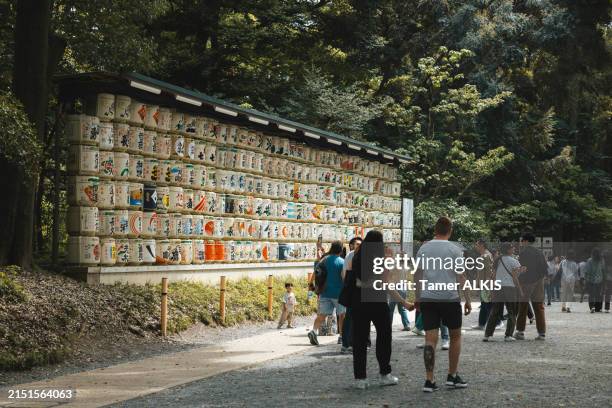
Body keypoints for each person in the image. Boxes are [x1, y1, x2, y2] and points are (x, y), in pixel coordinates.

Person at [350, 230, 412, 389]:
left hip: (358, 302)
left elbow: (348, 278)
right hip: (377, 301)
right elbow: (387, 285)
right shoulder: (382, 259)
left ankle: (360, 379)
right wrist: (404, 303)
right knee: (384, 337)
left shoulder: (356, 255)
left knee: (359, 340)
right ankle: (384, 374)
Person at [416, 216, 471, 392]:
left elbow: (417, 274)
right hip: (449, 298)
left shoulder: (423, 249)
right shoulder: (454, 250)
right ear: (450, 230)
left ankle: (429, 380)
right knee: (455, 337)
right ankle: (452, 375)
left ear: (435, 229)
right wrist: (468, 299)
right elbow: (461, 276)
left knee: (429, 339)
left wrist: (418, 297)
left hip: (428, 298)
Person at [483, 243, 523, 342]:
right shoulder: (514, 262)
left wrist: (492, 289)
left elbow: (493, 276)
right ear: (508, 250)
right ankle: (508, 335)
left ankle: (487, 335)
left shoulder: (497, 260)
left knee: (495, 312)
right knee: (512, 312)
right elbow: (515, 278)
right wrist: (520, 290)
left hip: (498, 287)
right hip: (510, 289)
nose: (514, 248)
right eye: (512, 247)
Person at [307, 241, 345, 346]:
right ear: (341, 250)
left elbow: (315, 273)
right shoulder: (341, 262)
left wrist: (312, 286)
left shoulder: (323, 260)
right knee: (342, 315)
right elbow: (343, 277)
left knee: (322, 315)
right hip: (339, 293)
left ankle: (313, 331)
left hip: (324, 293)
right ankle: (341, 337)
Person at [514, 232, 547, 341]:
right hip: (539, 281)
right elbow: (544, 268)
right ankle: (542, 333)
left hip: (527, 282)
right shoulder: (540, 252)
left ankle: (520, 332)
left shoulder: (524, 253)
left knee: (523, 306)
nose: (521, 243)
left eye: (522, 241)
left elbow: (522, 269)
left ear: (526, 241)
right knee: (539, 306)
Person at [340, 236, 362, 353]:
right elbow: (344, 273)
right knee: (349, 317)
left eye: (360, 244)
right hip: (353, 290)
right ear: (352, 245)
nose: (358, 246)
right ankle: (345, 343)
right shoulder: (350, 255)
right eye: (356, 244)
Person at [472, 239, 495, 330]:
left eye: (477, 245)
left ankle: (492, 323)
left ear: (482, 245)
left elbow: (489, 272)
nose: (475, 246)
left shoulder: (486, 256)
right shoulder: (484, 255)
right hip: (484, 284)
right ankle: (482, 324)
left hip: (486, 284)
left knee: (487, 305)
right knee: (485, 304)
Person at [584, 248, 605, 313]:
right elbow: (603, 270)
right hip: (600, 280)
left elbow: (587, 271)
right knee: (599, 294)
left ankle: (592, 307)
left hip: (590, 280)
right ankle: (598, 308)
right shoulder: (601, 260)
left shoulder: (589, 260)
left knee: (591, 295)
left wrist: (585, 279)